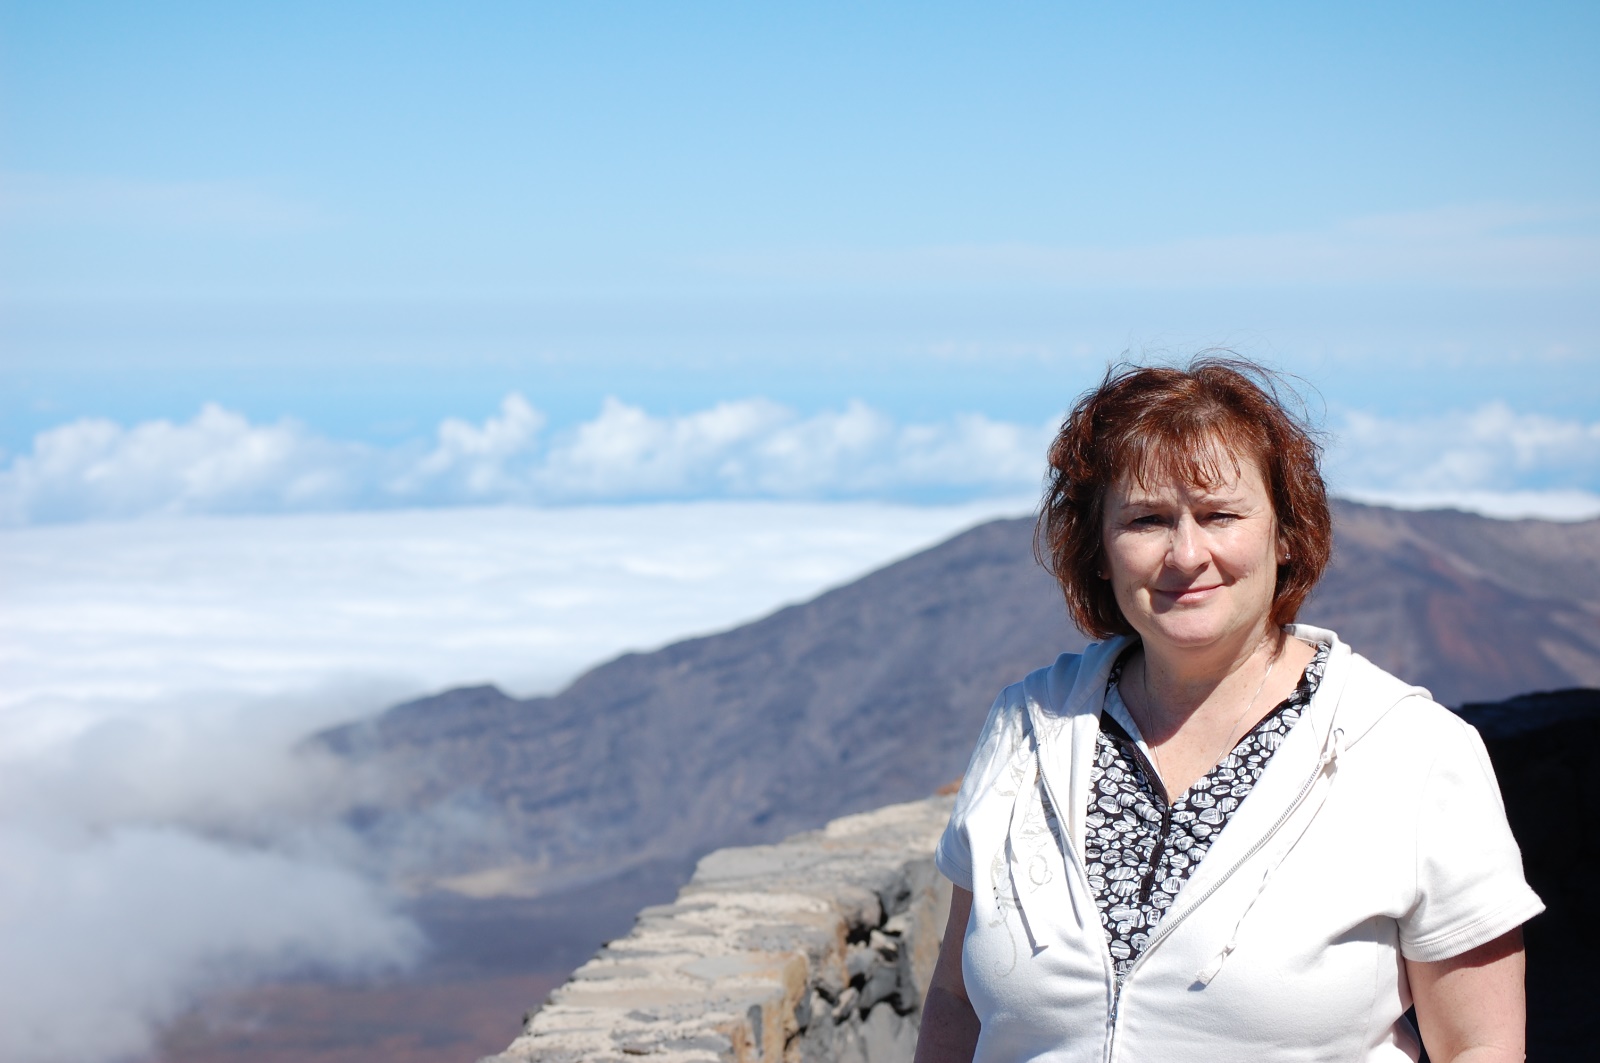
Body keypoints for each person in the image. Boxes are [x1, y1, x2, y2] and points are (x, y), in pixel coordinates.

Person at [916, 359, 1543, 1063]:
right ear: (1099, 549)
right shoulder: (1028, 725)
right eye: (1147, 519)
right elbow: (956, 1000)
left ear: (1284, 534)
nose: (1187, 554)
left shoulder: (1412, 752)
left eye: (1220, 515)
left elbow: (1480, 1044)